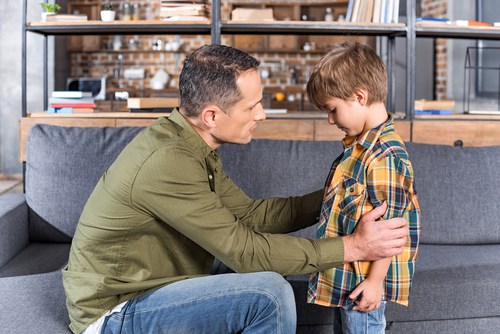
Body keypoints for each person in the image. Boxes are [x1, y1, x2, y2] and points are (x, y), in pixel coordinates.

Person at [62, 44, 409, 334]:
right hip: (115, 312)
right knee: (269, 293)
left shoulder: (190, 143)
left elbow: (249, 216)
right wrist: (351, 247)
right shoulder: (168, 161)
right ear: (212, 116)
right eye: (252, 106)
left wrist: (337, 198)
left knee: (264, 266)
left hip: (157, 282)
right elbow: (245, 250)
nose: (262, 115)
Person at [306, 41, 421, 334]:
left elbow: (391, 229)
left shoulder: (385, 155)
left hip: (363, 283)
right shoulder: (358, 149)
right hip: (346, 277)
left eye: (332, 110)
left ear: (359, 96)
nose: (330, 120)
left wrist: (374, 282)